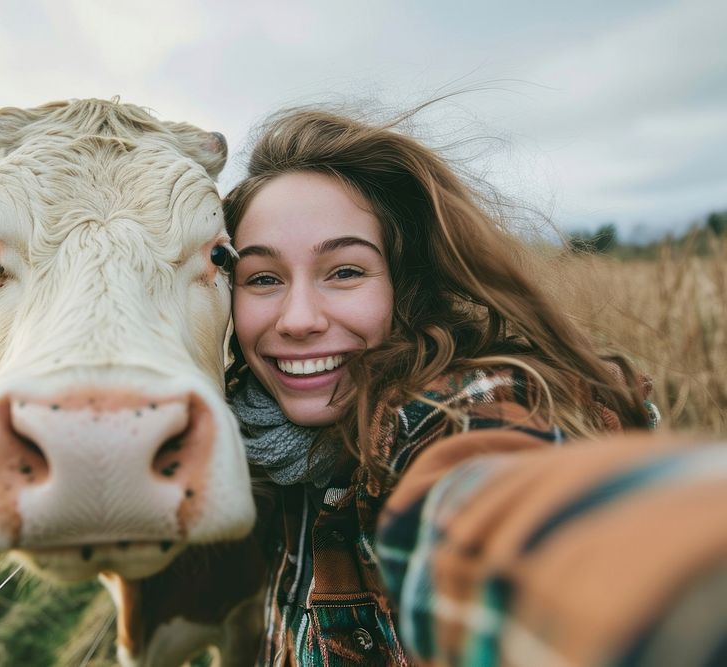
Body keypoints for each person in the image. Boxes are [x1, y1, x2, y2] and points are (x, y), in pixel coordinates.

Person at [223, 108, 725, 666]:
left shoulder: (453, 410)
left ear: (407, 282)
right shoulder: (251, 438)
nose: (297, 320)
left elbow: (497, 511)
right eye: (263, 278)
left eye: (345, 271)